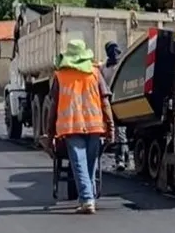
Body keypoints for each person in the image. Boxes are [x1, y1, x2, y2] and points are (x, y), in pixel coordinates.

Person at [46, 39, 115, 214]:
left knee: (80, 164)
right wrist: (111, 127)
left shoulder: (60, 76)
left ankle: (86, 199)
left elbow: (53, 106)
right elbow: (105, 102)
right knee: (90, 163)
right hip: (95, 126)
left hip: (71, 126)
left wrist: (49, 133)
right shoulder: (95, 74)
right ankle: (88, 197)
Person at [99, 41, 131, 171]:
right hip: (112, 101)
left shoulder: (116, 66)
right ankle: (125, 159)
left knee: (120, 132)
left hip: (117, 101)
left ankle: (121, 160)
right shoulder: (109, 67)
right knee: (120, 133)